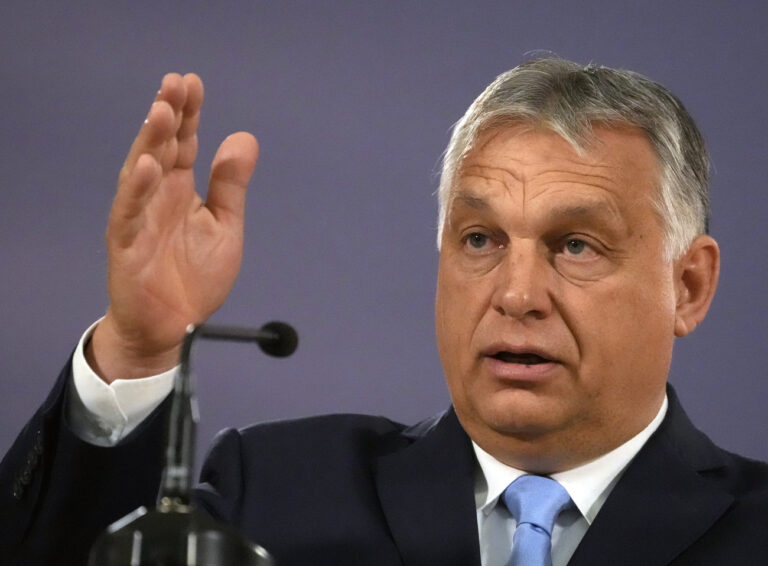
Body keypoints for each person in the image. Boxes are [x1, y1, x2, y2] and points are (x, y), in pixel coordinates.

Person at [1, 58, 767, 566]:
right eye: (479, 238)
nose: (516, 293)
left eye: (575, 245)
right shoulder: (268, 496)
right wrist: (137, 351)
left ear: (689, 286)